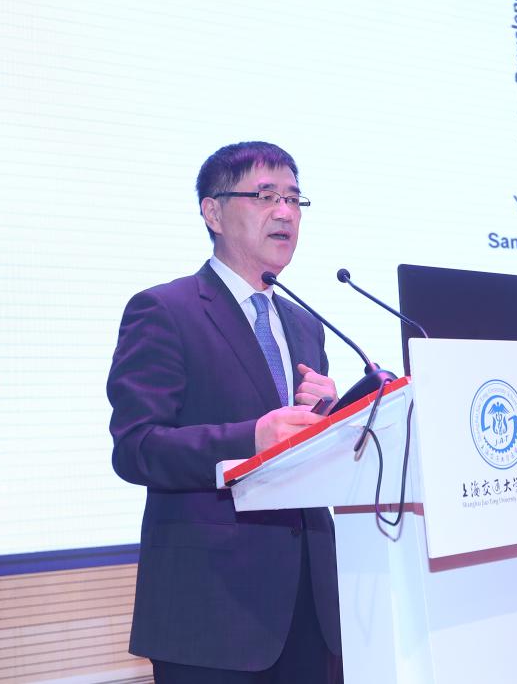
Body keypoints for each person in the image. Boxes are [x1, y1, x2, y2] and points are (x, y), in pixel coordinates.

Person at [108, 141, 343, 683]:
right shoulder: (164, 310)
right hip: (212, 614)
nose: (285, 212)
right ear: (213, 212)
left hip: (311, 608)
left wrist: (332, 420)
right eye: (265, 196)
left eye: (293, 199)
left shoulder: (305, 323)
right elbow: (136, 447)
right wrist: (250, 440)